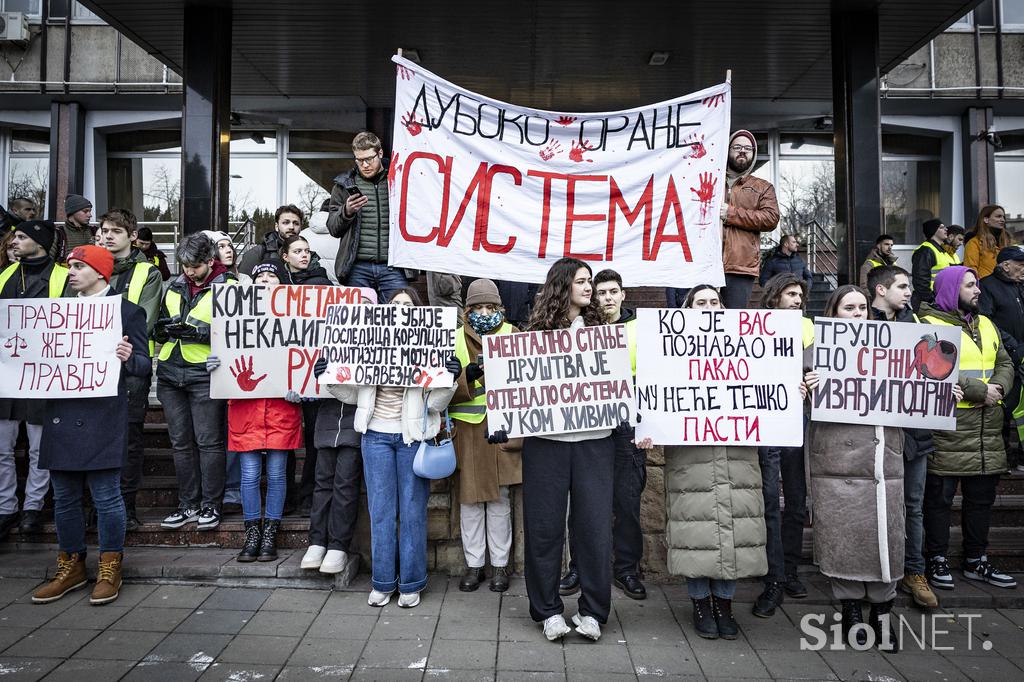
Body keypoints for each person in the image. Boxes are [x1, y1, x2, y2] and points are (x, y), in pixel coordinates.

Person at [510, 257, 652, 643]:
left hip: (595, 443)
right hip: (546, 446)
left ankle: (593, 611)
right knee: (543, 529)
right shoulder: (535, 332)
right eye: (582, 281)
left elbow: (627, 382)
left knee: (593, 530)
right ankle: (547, 610)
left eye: (590, 281)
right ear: (562, 285)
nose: (589, 287)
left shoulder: (605, 331)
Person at [325, 288, 459, 608]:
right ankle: (383, 582)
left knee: (412, 511)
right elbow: (354, 394)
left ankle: (411, 583)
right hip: (375, 437)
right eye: (395, 304)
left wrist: (448, 378)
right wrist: (331, 377)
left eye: (407, 305)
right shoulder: (371, 346)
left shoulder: (428, 347)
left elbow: (435, 404)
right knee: (381, 512)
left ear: (418, 311)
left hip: (411, 438)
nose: (400, 309)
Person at [31, 245, 150, 605]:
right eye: (70, 265)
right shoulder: (56, 312)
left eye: (79, 266)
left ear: (100, 272)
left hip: (102, 415)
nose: (71, 271)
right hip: (62, 410)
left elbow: (144, 367)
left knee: (106, 496)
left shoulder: (128, 312)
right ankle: (72, 565)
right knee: (65, 497)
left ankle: (110, 565)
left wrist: (131, 359)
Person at [804, 285, 913, 651]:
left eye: (862, 307)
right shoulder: (813, 354)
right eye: (848, 308)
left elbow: (918, 392)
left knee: (887, 537)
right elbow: (787, 400)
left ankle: (882, 613)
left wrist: (942, 392)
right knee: (844, 540)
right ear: (833, 313)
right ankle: (851, 610)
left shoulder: (895, 348)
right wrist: (804, 386)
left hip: (883, 463)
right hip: (837, 463)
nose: (856, 313)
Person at [665, 283, 767, 640]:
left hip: (738, 455)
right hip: (691, 459)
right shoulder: (668, 353)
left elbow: (770, 393)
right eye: (700, 302)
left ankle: (724, 605)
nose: (708, 307)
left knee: (734, 531)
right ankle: (699, 604)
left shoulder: (751, 350)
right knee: (697, 532)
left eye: (714, 301)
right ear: (687, 310)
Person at [920, 266, 1017, 590]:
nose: (978, 290)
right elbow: (932, 367)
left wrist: (999, 390)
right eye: (970, 285)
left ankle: (976, 560)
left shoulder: (987, 323)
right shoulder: (928, 325)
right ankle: (936, 558)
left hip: (986, 429)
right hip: (949, 427)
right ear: (951, 289)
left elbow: (1004, 362)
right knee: (939, 500)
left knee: (981, 500)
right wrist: (980, 391)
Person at [207, 260, 304, 562]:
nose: (265, 281)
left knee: (276, 474)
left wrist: (301, 385)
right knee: (248, 475)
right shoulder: (233, 317)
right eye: (260, 276)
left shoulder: (294, 316)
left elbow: (304, 355)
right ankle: (252, 533)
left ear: (281, 282)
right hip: (246, 408)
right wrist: (214, 364)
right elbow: (223, 348)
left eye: (271, 276)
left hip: (280, 408)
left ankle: (270, 533)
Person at [560, 269, 647, 600]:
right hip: (589, 421)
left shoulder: (642, 328)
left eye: (613, 291)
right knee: (582, 500)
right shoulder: (583, 329)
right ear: (592, 297)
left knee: (627, 502)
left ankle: (626, 569)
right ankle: (578, 567)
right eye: (601, 293)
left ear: (623, 295)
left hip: (628, 425)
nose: (607, 298)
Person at [867, 265, 941, 610]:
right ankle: (873, 571)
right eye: (901, 286)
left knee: (913, 505)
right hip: (876, 435)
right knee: (875, 506)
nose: (909, 292)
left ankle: (914, 571)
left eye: (909, 286)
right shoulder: (860, 328)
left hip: (915, 434)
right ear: (881, 290)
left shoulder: (920, 329)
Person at [156, 234, 235, 531]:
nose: (189, 271)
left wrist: (199, 335)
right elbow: (160, 325)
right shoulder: (174, 285)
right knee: (180, 443)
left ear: (211, 261)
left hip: (205, 372)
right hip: (170, 369)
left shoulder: (230, 288)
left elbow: (237, 336)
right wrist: (162, 331)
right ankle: (187, 503)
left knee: (209, 442)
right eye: (185, 265)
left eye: (195, 266)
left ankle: (211, 504)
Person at [449, 279, 521, 593]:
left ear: (500, 308)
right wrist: (467, 376)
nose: (483, 312)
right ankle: (474, 565)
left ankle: (500, 567)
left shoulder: (513, 335)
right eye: (477, 307)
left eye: (490, 307)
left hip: (502, 430)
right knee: (470, 502)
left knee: (500, 501)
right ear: (467, 310)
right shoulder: (453, 339)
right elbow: (441, 389)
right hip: (467, 431)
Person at [0, 221, 69, 539]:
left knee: (41, 448)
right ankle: (6, 506)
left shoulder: (62, 277)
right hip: (7, 375)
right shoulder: (4, 277)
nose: (14, 241)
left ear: (40, 243)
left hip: (44, 375)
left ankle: (33, 507)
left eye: (22, 236)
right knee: (3, 446)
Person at [301, 286, 372, 574]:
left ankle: (338, 545)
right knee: (323, 483)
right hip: (327, 418)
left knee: (345, 485)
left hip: (355, 422)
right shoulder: (326, 339)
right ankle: (317, 541)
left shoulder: (377, 345)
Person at [100, 208, 162, 532]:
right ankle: (96, 505)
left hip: (133, 367)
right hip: (91, 366)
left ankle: (127, 504)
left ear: (132, 236)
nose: (108, 236)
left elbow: (145, 319)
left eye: (116, 231)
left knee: (130, 439)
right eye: (105, 230)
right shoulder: (92, 269)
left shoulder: (147, 273)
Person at [752, 272, 810, 618]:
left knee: (797, 501)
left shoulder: (810, 329)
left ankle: (790, 569)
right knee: (770, 501)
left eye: (800, 295)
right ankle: (773, 577)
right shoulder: (753, 327)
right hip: (768, 424)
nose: (797, 300)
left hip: (798, 421)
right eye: (790, 294)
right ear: (774, 297)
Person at [279, 234, 332, 513]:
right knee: (284, 441)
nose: (304, 255)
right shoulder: (275, 284)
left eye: (307, 251)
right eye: (297, 251)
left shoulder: (324, 284)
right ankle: (285, 496)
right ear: (285, 255)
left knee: (313, 439)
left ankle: (309, 494)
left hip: (312, 373)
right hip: (282, 375)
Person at [699, 130, 779, 309]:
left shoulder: (762, 187)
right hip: (703, 261)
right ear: (727, 150)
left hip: (739, 266)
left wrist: (731, 214)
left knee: (732, 321)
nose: (742, 151)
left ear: (753, 153)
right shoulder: (709, 180)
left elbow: (771, 218)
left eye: (747, 148)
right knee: (699, 319)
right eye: (737, 147)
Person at [326, 131, 410, 300]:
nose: (364, 165)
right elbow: (333, 228)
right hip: (357, 268)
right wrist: (346, 211)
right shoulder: (343, 186)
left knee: (399, 321)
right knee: (357, 324)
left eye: (368, 159)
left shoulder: (400, 179)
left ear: (380, 153)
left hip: (394, 266)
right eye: (359, 160)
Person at [980, 246, 1024, 473]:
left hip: (1022, 356)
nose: (1023, 269)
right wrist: (1013, 345)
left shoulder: (1019, 284)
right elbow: (986, 321)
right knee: (1005, 409)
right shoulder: (987, 286)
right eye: (1020, 264)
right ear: (1006, 265)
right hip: (1004, 357)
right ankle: (1004, 460)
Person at [237, 205, 309, 277]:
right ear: (277, 227)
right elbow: (243, 284)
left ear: (300, 228)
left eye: (296, 223)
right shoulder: (257, 253)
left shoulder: (307, 254)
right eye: (286, 222)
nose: (291, 227)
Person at [911, 218, 959, 312]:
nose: (946, 229)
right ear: (933, 231)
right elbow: (920, 280)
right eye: (941, 227)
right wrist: (931, 300)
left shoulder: (941, 250)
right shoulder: (925, 250)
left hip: (940, 300)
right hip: (929, 302)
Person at [964, 205, 1010, 280]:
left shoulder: (1006, 242)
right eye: (998, 216)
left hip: (1007, 287)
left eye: (1003, 217)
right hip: (985, 288)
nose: (1002, 220)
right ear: (986, 219)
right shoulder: (974, 243)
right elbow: (971, 270)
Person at [53, 193, 95, 263]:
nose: (90, 215)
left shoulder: (94, 231)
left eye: (90, 211)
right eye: (85, 211)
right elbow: (48, 264)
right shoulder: (58, 234)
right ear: (72, 212)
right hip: (67, 273)